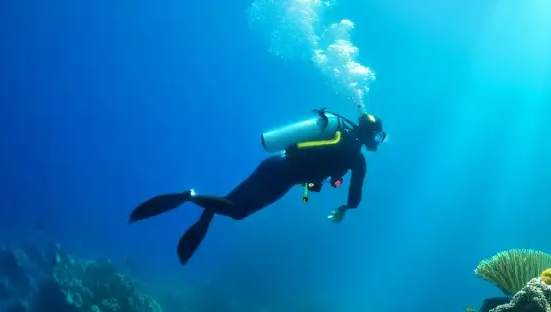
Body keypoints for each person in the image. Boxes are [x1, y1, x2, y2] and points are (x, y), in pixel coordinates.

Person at [129, 108, 385, 264]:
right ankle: (190, 197)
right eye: (377, 136)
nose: (376, 141)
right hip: (284, 176)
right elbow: (355, 195)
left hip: (274, 163)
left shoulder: (339, 135)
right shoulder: (356, 157)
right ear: (369, 134)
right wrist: (345, 208)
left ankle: (203, 214)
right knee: (237, 212)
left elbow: (305, 152)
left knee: (229, 203)